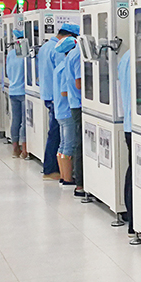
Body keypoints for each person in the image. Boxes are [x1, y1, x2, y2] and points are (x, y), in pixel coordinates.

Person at [39, 26, 68, 180]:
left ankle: (53, 168)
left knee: (54, 132)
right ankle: (51, 169)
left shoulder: (45, 47)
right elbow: (64, 73)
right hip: (57, 96)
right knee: (57, 134)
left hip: (47, 94)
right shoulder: (58, 50)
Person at [64, 31, 86, 199]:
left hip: (74, 103)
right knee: (80, 144)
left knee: (80, 143)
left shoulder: (72, 53)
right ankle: (80, 184)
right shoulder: (79, 54)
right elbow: (79, 83)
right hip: (79, 104)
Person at [118, 48, 137, 240]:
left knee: (132, 171)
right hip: (139, 125)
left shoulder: (125, 57)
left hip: (129, 123)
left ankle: (132, 217)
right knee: (136, 174)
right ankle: (134, 221)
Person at [53, 35, 76, 188]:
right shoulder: (66, 67)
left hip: (60, 111)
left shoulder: (59, 66)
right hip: (67, 111)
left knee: (62, 144)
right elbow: (64, 91)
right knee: (69, 145)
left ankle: (63, 176)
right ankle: (68, 178)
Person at [6, 29, 27, 159]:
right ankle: (25, 150)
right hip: (24, 91)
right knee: (25, 122)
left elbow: (7, 72)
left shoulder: (11, 53)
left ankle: (15, 148)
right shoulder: (26, 53)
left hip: (13, 90)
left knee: (16, 120)